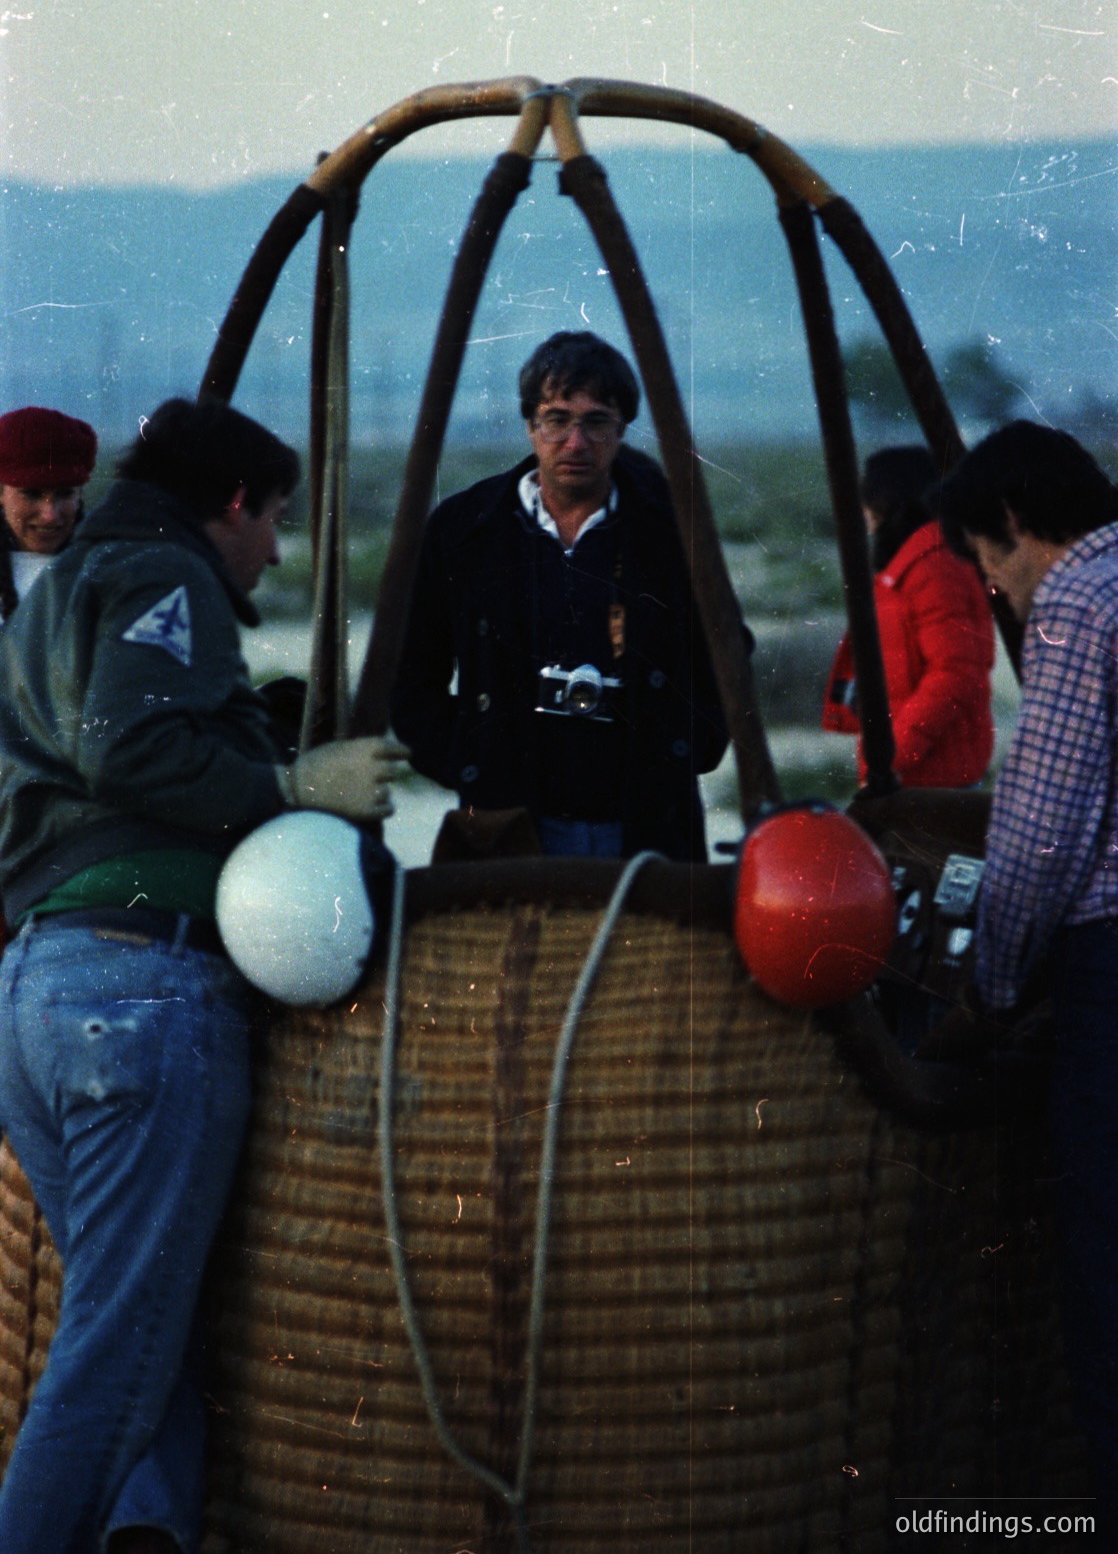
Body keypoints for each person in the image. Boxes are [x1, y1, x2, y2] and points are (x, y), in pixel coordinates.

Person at [0, 396, 408, 1554]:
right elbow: (130, 746)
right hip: (138, 998)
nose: (276, 548)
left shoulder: (52, 598)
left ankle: (153, 1535)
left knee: (139, 1334)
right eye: (274, 518)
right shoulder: (162, 577)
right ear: (232, 504)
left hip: (37, 991)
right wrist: (287, 788)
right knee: (117, 1353)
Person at [937, 420, 1118, 1540]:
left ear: (1012, 525)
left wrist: (988, 987)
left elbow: (1044, 840)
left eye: (986, 564)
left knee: (1106, 1287)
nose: (995, 593)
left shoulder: (1076, 603)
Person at [389, 330, 732, 861]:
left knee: (647, 947)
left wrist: (683, 747)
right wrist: (471, 758)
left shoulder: (674, 532)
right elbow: (410, 673)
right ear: (529, 425)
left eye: (596, 422)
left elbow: (729, 658)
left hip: (644, 826)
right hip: (508, 824)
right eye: (557, 419)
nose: (576, 442)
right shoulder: (464, 531)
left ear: (621, 431)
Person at [822, 444, 995, 787]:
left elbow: (954, 672)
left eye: (868, 494)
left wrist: (890, 757)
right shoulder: (916, 562)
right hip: (919, 772)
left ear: (885, 500)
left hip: (932, 777)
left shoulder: (935, 566)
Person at [0, 404, 97, 619]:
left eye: (65, 494)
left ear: (80, 494)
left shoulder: (105, 572)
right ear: (1, 493)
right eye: (31, 494)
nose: (50, 514)